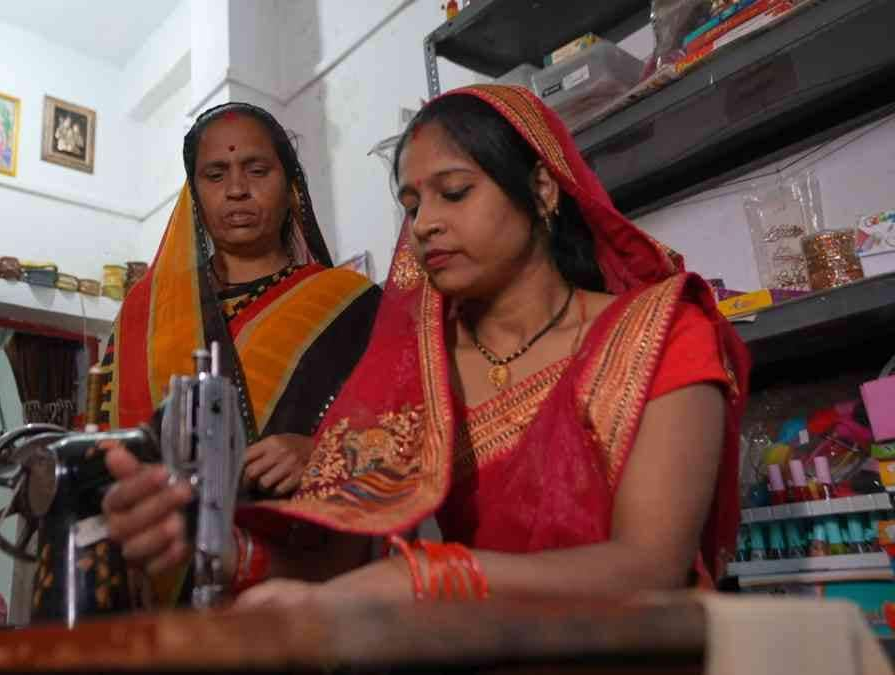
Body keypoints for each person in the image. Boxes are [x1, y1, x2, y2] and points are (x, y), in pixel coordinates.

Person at [101, 85, 750, 607]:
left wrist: (428, 578)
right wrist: (211, 544)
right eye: (412, 205)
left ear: (543, 189)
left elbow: (647, 569)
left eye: (455, 191)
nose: (426, 224)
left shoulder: (661, 330)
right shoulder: (419, 368)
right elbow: (335, 557)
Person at [93, 101, 381, 497]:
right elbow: (105, 446)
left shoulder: (352, 305)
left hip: (300, 547)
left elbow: (401, 429)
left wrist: (323, 453)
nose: (237, 190)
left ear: (291, 183)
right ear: (194, 193)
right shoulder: (146, 313)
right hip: (157, 541)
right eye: (215, 175)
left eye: (258, 170)